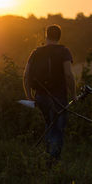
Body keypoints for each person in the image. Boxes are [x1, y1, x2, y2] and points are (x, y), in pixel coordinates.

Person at [23, 24, 76, 162]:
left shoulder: (36, 52)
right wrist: (74, 95)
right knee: (57, 130)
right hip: (58, 98)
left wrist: (29, 96)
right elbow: (69, 75)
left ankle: (46, 159)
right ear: (59, 36)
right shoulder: (64, 51)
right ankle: (52, 164)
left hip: (40, 96)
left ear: (46, 36)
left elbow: (26, 75)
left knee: (49, 127)